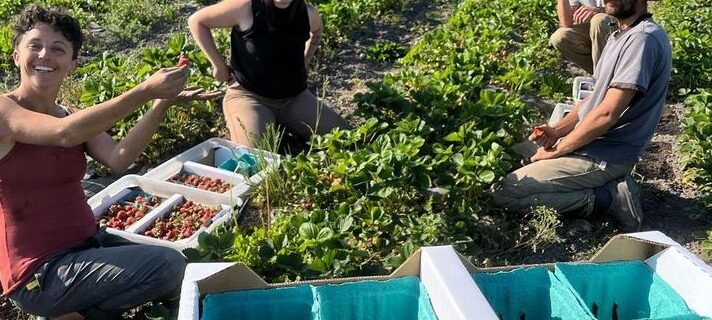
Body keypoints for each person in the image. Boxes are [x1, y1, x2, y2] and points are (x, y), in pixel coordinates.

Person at [0, 5, 221, 320]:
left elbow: (119, 158)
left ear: (72, 63)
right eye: (34, 46)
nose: (45, 55)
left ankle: (71, 312)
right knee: (166, 267)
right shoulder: (4, 112)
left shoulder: (71, 114)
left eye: (58, 49)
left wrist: (160, 104)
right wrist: (143, 90)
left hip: (86, 246)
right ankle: (68, 312)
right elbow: (62, 135)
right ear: (16, 56)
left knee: (177, 264)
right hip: (39, 272)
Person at [493, 0, 671, 232]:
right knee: (509, 157)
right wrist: (557, 131)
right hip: (589, 143)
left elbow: (607, 114)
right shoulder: (620, 34)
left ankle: (610, 198)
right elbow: (596, 99)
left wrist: (559, 148)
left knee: (504, 193)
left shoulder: (643, 40)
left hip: (606, 154)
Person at [188, 0, 348, 147]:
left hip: (294, 98)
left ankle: (280, 125)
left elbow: (317, 31)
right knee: (254, 160)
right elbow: (197, 22)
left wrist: (305, 61)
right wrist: (219, 65)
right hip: (249, 97)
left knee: (347, 138)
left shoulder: (306, 13)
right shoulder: (245, 7)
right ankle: (266, 123)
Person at [550, 0, 617, 74]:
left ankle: (604, 77)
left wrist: (599, 11)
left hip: (620, 24)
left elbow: (629, 8)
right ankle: (601, 75)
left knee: (600, 20)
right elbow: (566, 22)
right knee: (560, 37)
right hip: (595, 28)